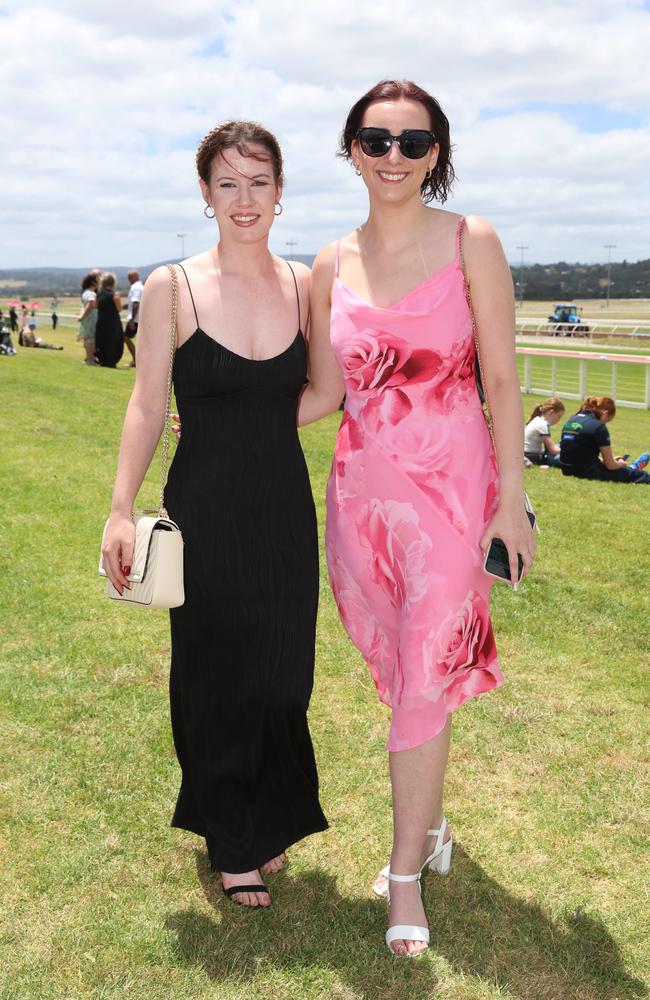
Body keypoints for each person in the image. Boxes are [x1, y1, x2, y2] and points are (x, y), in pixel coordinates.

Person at [308, 79, 536, 957]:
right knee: (401, 672)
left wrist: (510, 500)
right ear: (352, 149)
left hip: (451, 497)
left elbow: (502, 380)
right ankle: (432, 827)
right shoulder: (330, 263)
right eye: (375, 139)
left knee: (425, 671)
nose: (392, 156)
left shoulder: (470, 240)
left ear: (436, 153)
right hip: (363, 503)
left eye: (412, 141)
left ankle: (405, 873)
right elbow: (325, 393)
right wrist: (224, 410)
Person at [101, 120, 339, 909]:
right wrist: (120, 510)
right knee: (214, 673)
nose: (245, 198)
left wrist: (256, 425)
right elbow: (146, 403)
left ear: (280, 191)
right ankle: (233, 840)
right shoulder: (174, 286)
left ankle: (264, 817)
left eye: (259, 181)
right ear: (205, 195)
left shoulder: (308, 284)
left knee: (281, 678)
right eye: (227, 183)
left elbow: (327, 391)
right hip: (202, 506)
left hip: (280, 508)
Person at [560, 396, 650, 483]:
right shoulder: (598, 426)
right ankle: (633, 468)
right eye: (607, 421)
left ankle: (631, 468)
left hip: (566, 469)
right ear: (605, 413)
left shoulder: (572, 419)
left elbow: (578, 452)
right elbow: (610, 465)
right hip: (586, 471)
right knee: (642, 475)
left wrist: (604, 460)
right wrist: (621, 464)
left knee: (615, 469)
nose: (605, 424)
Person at [524, 397, 565, 467]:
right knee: (564, 457)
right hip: (533, 457)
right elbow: (553, 450)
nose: (558, 420)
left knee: (560, 446)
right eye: (559, 417)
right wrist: (569, 451)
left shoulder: (537, 419)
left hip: (526, 454)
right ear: (551, 412)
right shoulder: (543, 424)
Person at [94, 273, 124, 368]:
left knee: (102, 338)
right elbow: (119, 308)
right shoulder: (114, 294)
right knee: (113, 340)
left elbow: (96, 306)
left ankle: (102, 359)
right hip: (113, 321)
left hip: (102, 319)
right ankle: (111, 361)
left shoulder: (99, 293)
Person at [123, 269, 143, 367]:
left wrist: (131, 320)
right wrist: (124, 306)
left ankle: (136, 361)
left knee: (126, 337)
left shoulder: (135, 288)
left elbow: (136, 304)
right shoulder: (140, 287)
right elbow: (133, 303)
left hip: (135, 319)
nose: (128, 279)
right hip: (139, 318)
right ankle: (137, 361)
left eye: (129, 277)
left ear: (135, 277)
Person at [78, 272, 99, 364]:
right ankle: (90, 359)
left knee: (88, 339)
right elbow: (91, 303)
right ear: (93, 283)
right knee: (90, 339)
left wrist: (82, 316)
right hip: (91, 318)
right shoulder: (91, 293)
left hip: (87, 318)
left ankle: (89, 358)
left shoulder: (85, 293)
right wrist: (83, 316)